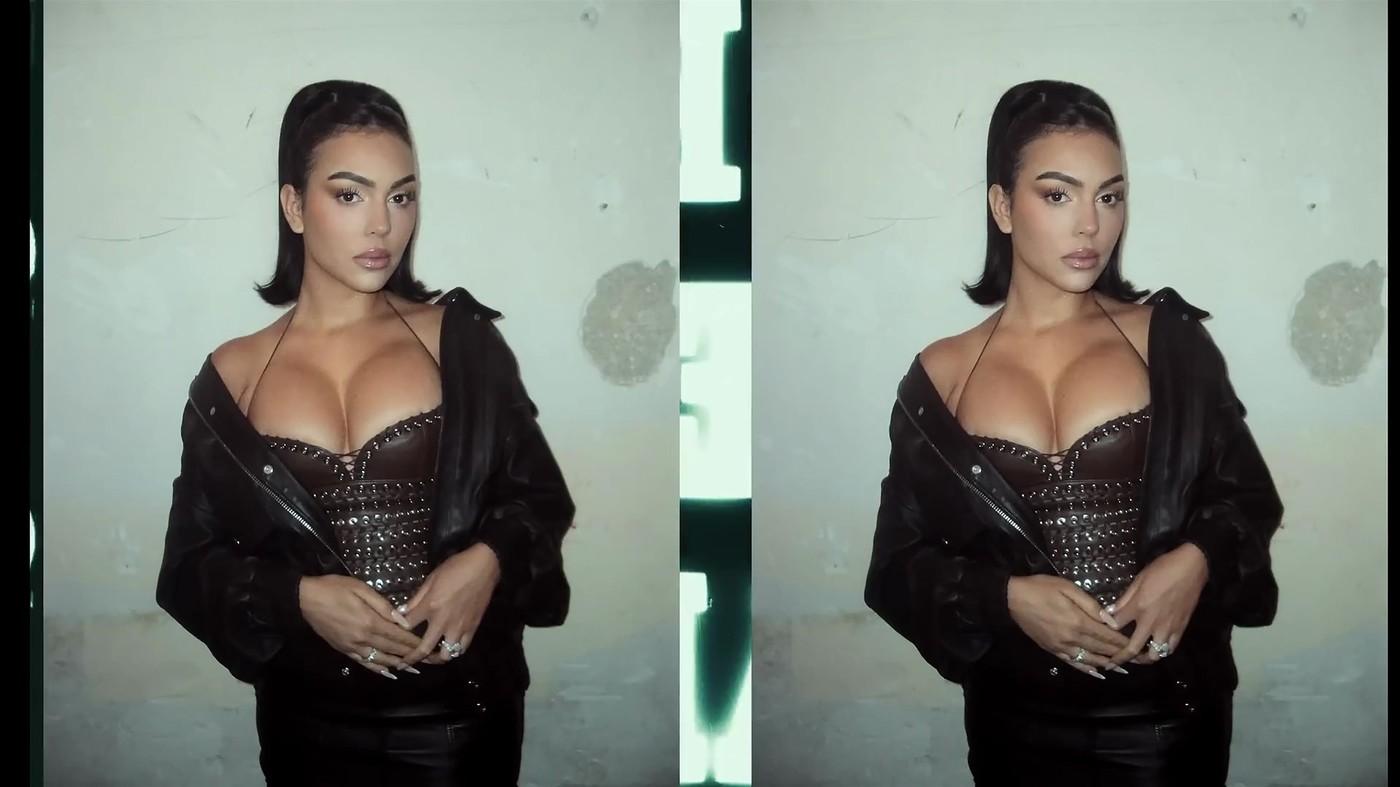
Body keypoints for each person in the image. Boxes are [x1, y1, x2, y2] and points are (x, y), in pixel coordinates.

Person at [864, 79, 1282, 785]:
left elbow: (1247, 496)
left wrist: (1198, 557)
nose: (1091, 225)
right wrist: (1004, 597)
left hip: (1166, 719)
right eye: (1059, 195)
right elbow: (896, 566)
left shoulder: (1168, 342)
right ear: (1003, 206)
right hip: (1012, 725)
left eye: (1109, 197)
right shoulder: (941, 376)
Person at [156, 79, 573, 785]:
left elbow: (539, 497)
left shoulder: (460, 342)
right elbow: (188, 566)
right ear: (295, 206)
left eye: (401, 197)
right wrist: (297, 597)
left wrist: (488, 558)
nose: (382, 225)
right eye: (350, 195)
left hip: (459, 720)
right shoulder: (232, 376)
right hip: (304, 726)